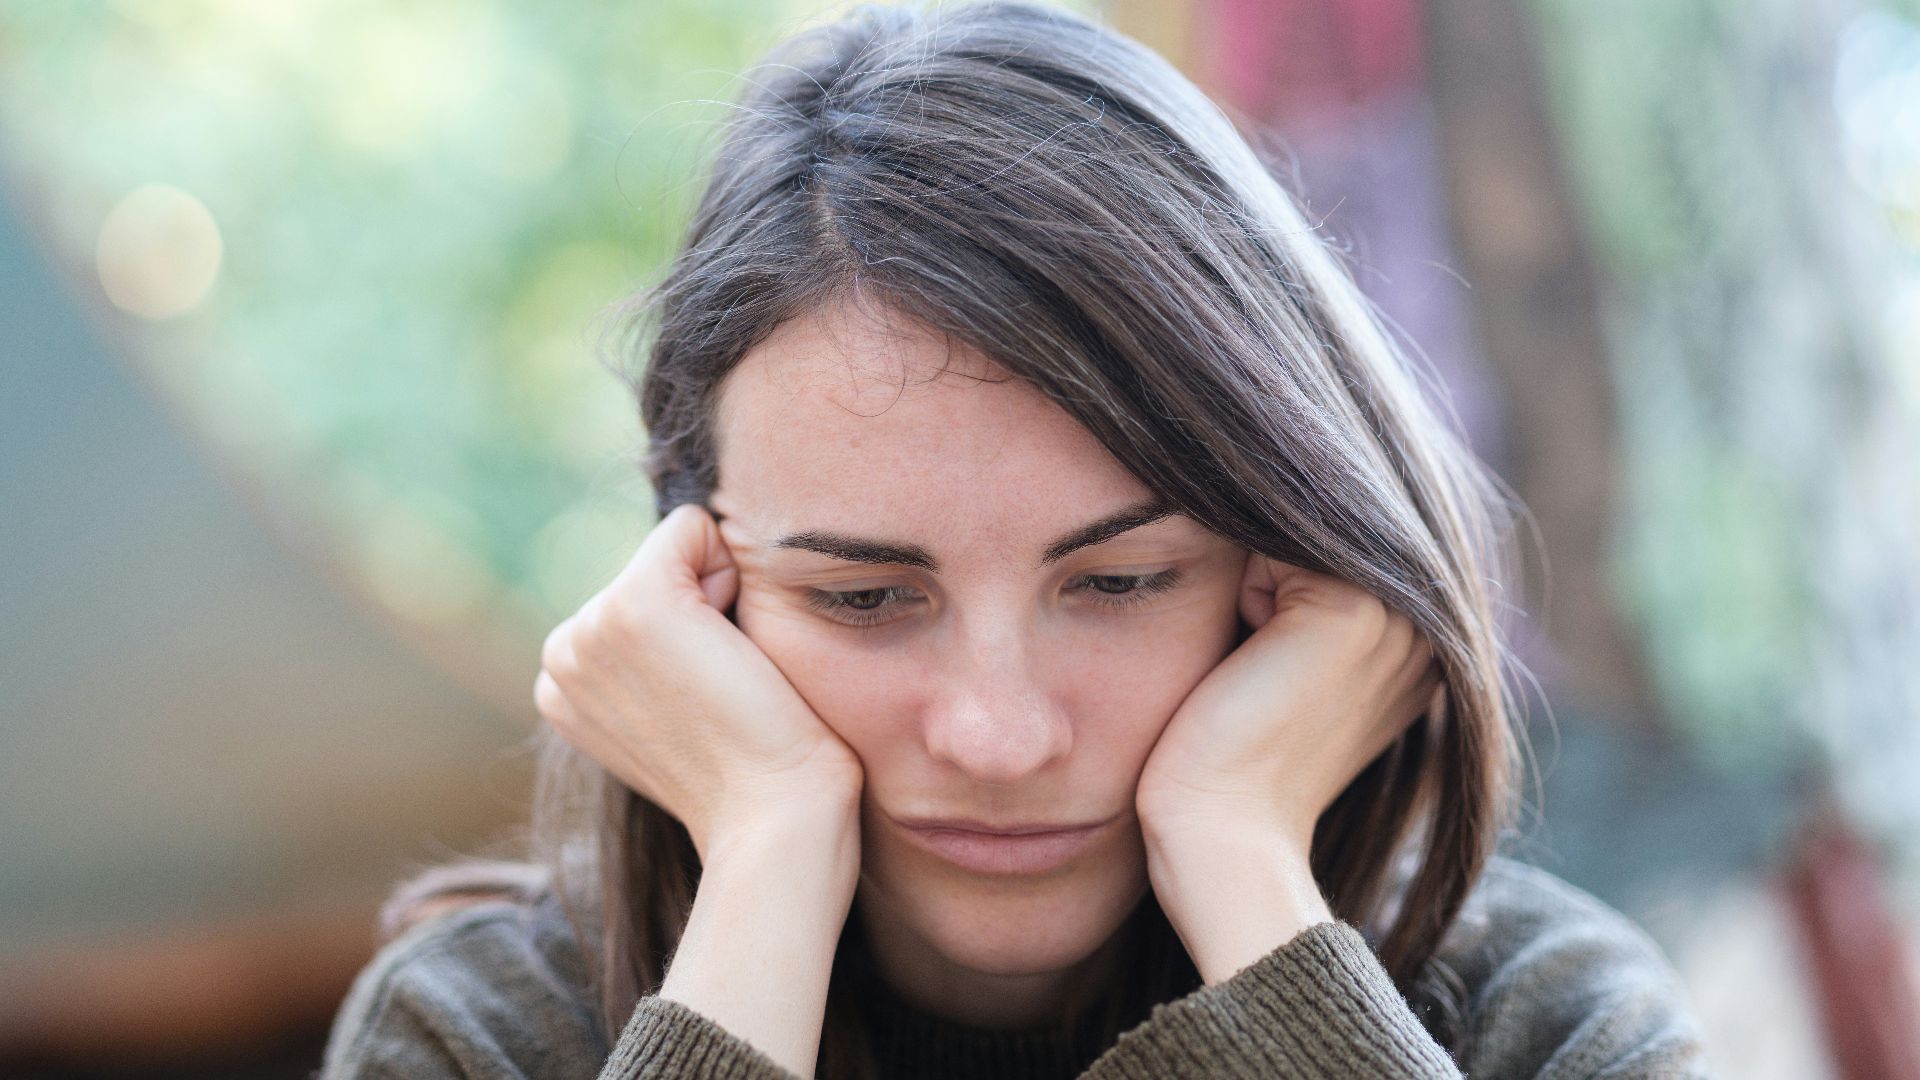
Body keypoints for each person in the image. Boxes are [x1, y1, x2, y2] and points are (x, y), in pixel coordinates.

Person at [319, 2, 1714, 1077]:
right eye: (864, 595)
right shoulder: (485, 1033)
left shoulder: (1543, 1023)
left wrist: (1243, 870)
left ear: (1292, 571)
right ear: (696, 581)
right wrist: (762, 877)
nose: (999, 735)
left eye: (1118, 580)